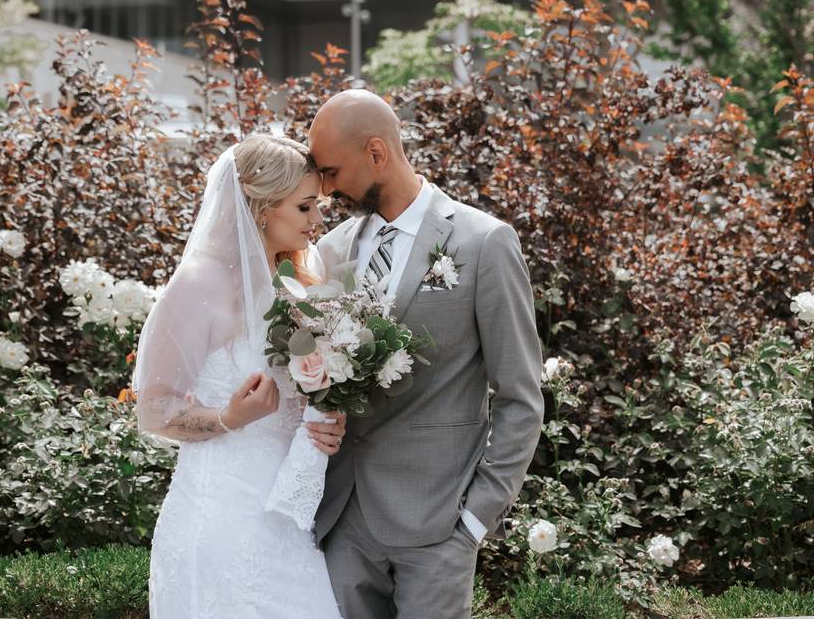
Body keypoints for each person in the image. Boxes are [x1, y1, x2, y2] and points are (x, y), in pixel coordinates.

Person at [310, 89, 545, 619]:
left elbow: (521, 397)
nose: (324, 190)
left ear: (376, 153)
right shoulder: (331, 249)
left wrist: (476, 520)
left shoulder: (484, 243)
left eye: (331, 171)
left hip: (440, 523)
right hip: (343, 518)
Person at [132, 134, 347, 619]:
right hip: (221, 519)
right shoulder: (198, 285)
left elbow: (302, 397)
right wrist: (229, 417)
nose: (318, 221)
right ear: (262, 208)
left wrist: (323, 423)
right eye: (306, 207)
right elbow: (152, 409)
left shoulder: (297, 280)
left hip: (290, 519)